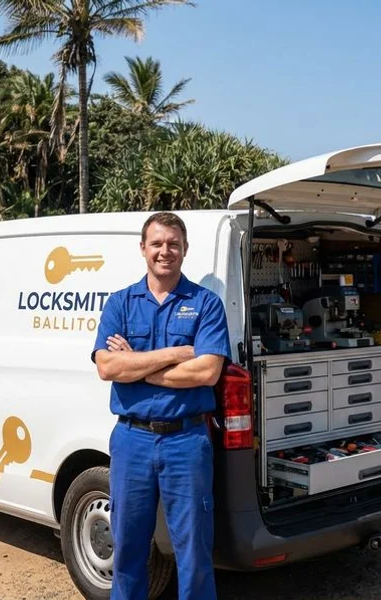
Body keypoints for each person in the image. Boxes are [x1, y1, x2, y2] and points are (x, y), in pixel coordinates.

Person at [91, 212, 232, 600]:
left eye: (173, 244)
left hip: (186, 441)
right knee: (128, 550)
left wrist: (137, 365)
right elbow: (107, 366)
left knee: (194, 553)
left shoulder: (206, 304)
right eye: (156, 243)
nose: (164, 251)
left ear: (185, 249)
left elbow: (206, 371)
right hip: (131, 440)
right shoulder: (120, 303)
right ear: (143, 249)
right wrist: (174, 354)